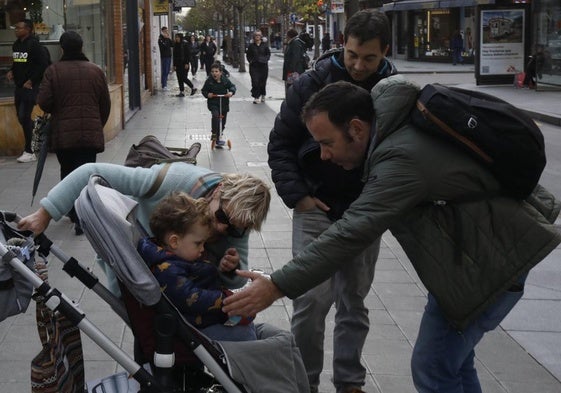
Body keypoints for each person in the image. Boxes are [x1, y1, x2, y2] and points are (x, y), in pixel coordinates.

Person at [224, 78, 561, 393]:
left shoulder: (401, 158)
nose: (323, 155)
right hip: (472, 263)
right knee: (453, 365)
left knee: (432, 368)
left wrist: (277, 285)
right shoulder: (393, 124)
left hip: (489, 266)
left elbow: (352, 231)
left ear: (356, 129)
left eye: (327, 143)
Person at [267, 10, 396, 393]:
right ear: (343, 44)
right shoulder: (312, 82)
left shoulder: (393, 90)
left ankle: (349, 383)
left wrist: (376, 203)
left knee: (353, 300)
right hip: (316, 206)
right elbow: (281, 143)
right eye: (353, 54)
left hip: (363, 211)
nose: (358, 65)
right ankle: (304, 382)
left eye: (369, 58)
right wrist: (300, 197)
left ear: (384, 52)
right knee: (310, 300)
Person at [18, 162, 271, 293]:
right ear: (218, 191)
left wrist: (231, 268)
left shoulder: (238, 220)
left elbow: (239, 279)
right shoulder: (174, 180)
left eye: (235, 229)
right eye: (222, 217)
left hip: (175, 277)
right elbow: (91, 171)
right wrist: (46, 213)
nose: (222, 229)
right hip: (130, 255)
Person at [138, 192, 256, 341]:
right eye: (198, 243)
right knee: (247, 335)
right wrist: (223, 299)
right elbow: (189, 298)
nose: (202, 249)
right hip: (194, 331)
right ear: (174, 241)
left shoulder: (178, 258)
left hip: (205, 320)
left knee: (249, 328)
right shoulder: (167, 269)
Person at [36, 31, 111, 236]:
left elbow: (44, 102)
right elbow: (105, 104)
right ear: (81, 47)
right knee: (87, 173)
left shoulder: (53, 71)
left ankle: (74, 213)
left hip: (64, 135)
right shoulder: (95, 71)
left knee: (68, 173)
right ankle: (84, 214)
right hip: (89, 135)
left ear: (62, 48)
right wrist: (96, 124)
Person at [6, 19, 49, 163]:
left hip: (31, 87)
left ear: (28, 29)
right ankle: (38, 140)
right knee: (21, 117)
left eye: (19, 27)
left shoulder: (35, 45)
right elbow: (17, 62)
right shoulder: (17, 45)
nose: (16, 30)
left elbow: (43, 65)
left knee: (24, 116)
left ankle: (30, 150)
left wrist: (31, 80)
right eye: (15, 27)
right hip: (19, 87)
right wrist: (12, 71)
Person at [201, 62, 236, 148]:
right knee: (215, 116)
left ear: (220, 72)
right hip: (213, 103)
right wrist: (208, 94)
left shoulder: (225, 80)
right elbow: (204, 90)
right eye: (212, 71)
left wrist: (231, 92)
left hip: (224, 103)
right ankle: (214, 134)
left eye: (216, 71)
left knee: (222, 122)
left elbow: (232, 86)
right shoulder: (209, 81)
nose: (214, 73)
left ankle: (218, 137)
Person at [246, 30, 271, 104]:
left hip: (263, 66)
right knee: (255, 81)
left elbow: (268, 54)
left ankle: (263, 94)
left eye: (259, 35)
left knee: (262, 82)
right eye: (256, 35)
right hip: (254, 66)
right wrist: (250, 61)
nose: (257, 36)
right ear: (254, 37)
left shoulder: (265, 45)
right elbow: (248, 55)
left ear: (261, 36)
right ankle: (256, 96)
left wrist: (265, 59)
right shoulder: (251, 46)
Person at [282, 29, 307, 95]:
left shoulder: (295, 43)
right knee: (291, 87)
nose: (285, 37)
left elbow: (295, 58)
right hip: (293, 71)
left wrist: (291, 71)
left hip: (294, 72)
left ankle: (292, 101)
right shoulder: (293, 42)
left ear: (289, 36)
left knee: (292, 88)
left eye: (286, 35)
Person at [173, 33, 196, 97]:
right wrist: (174, 65)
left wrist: (187, 63)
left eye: (178, 37)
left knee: (183, 78)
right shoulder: (175, 45)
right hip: (178, 64)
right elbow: (174, 55)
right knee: (179, 78)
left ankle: (193, 87)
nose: (176, 38)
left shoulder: (185, 44)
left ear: (180, 38)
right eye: (176, 37)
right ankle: (182, 92)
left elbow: (188, 55)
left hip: (184, 64)